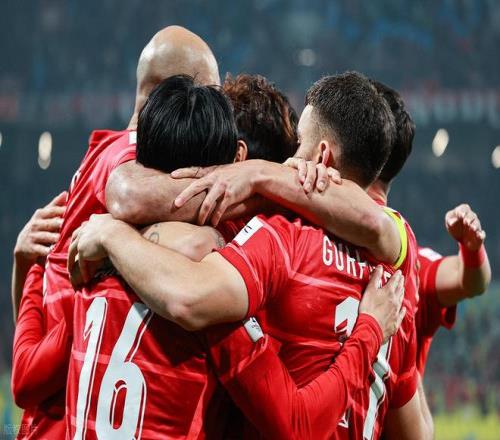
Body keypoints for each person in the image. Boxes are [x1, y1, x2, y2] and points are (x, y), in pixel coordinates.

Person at [72, 72, 430, 439]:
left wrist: (116, 235)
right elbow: (418, 433)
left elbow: (188, 295)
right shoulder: (399, 275)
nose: (289, 158)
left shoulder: (279, 239)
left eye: (299, 143)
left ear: (322, 155)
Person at [11, 25, 221, 440]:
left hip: (63, 408)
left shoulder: (103, 154)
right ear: (168, 93)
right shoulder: (130, 156)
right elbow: (129, 197)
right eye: (208, 92)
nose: (214, 108)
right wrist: (242, 186)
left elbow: (48, 307)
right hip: (67, 418)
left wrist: (23, 268)